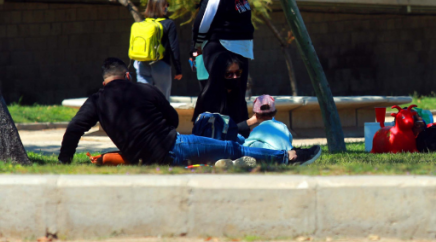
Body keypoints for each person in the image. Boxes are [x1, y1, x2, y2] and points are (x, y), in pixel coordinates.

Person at [59, 58, 319, 166]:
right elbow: (172, 119)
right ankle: (288, 157)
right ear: (127, 75)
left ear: (105, 81)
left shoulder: (95, 101)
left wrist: (64, 162)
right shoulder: (144, 89)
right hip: (173, 147)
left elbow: (73, 130)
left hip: (144, 160)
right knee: (230, 147)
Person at [192, 0, 258, 137]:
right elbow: (203, 19)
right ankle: (212, 141)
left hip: (239, 51)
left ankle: (238, 141)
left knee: (237, 101)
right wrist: (196, 47)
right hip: (222, 49)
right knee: (218, 100)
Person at [133, 0, 183, 100]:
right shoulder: (169, 23)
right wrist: (178, 69)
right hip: (161, 65)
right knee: (163, 100)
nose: (167, 7)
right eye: (166, 4)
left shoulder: (142, 23)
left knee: (144, 99)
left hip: (142, 64)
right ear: (162, 6)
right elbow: (174, 48)